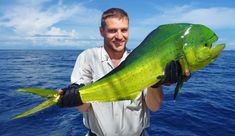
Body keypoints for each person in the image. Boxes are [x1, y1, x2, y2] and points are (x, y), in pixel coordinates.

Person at [57, 8, 190, 136]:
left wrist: (156, 83)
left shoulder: (143, 61)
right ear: (101, 31)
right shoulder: (87, 57)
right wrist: (75, 97)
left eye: (124, 30)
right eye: (112, 30)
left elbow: (154, 107)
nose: (119, 36)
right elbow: (83, 108)